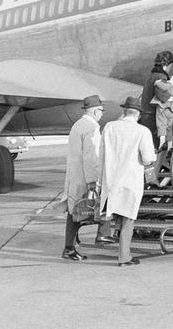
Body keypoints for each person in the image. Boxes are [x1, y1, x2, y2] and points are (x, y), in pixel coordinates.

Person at [98, 96, 156, 266]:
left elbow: (101, 155)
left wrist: (99, 179)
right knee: (128, 220)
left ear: (124, 112)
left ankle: (108, 240)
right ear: (137, 114)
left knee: (113, 214)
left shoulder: (109, 127)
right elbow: (147, 158)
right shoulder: (142, 131)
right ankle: (124, 257)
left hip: (110, 180)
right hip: (130, 181)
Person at [57, 94, 108, 261]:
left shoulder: (77, 125)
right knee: (83, 211)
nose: (102, 114)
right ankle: (73, 247)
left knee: (74, 212)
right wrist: (93, 181)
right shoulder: (92, 128)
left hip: (74, 176)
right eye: (101, 110)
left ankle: (69, 248)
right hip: (84, 178)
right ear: (94, 111)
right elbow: (91, 156)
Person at [139, 50, 173, 139]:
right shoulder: (161, 77)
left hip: (145, 115)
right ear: (166, 64)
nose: (170, 68)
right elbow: (162, 97)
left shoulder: (151, 75)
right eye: (171, 65)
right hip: (154, 117)